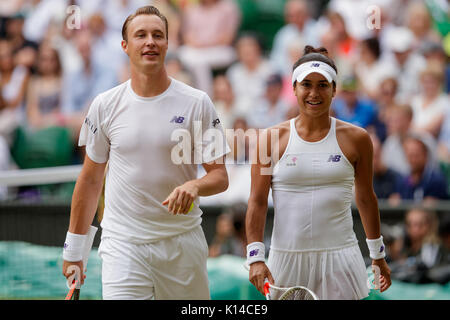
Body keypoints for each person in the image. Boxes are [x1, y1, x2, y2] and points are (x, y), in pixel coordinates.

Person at [62, 6, 230, 300]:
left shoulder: (197, 102)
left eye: (158, 35)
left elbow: (220, 177)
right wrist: (75, 250)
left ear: (168, 44)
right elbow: (90, 181)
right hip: (122, 246)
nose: (150, 41)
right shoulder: (104, 105)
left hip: (182, 246)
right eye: (141, 35)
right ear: (125, 46)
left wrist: (194, 185)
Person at [245, 46, 391, 300]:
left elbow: (367, 198)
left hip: (342, 259)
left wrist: (378, 255)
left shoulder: (358, 139)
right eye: (307, 85)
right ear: (294, 88)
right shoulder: (269, 139)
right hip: (286, 259)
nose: (314, 93)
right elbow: (257, 201)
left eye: (323, 85)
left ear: (335, 89)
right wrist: (255, 257)